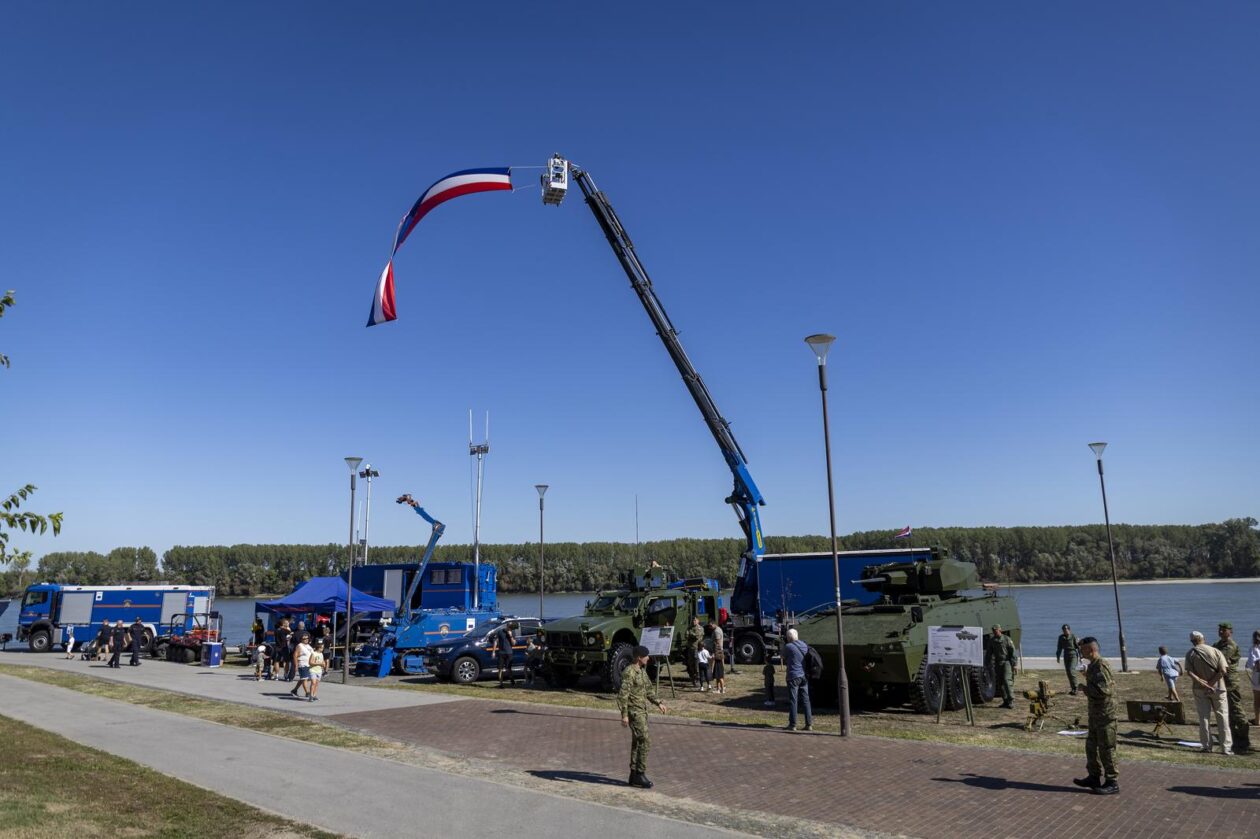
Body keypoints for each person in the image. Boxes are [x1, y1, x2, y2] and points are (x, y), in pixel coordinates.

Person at [617, 644, 668, 789]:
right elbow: (623, 696)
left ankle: (633, 774)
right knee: (645, 741)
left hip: (642, 711)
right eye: (646, 656)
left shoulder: (642, 672)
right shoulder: (629, 672)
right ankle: (640, 773)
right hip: (634, 712)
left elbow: (649, 691)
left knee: (638, 742)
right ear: (639, 658)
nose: (648, 658)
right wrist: (624, 715)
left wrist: (659, 703)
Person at [1073, 637, 1119, 795]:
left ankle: (1112, 782)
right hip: (1095, 714)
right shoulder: (1093, 665)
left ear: (1091, 650)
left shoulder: (1101, 665)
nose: (1081, 652)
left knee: (1107, 748)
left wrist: (1084, 689)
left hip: (1106, 714)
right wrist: (1087, 675)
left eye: (1083, 649)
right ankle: (1094, 776)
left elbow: (1104, 691)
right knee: (1091, 746)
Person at [1185, 630, 1232, 755]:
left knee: (1204, 718)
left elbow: (1189, 672)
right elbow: (1223, 670)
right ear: (1203, 638)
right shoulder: (1216, 651)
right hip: (1218, 688)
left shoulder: (1190, 653)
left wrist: (1203, 684)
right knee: (1222, 718)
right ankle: (1226, 747)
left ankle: (1206, 746)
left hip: (1199, 689)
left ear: (1192, 641)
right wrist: (1211, 684)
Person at [1213, 622, 1250, 754]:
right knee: (1227, 711)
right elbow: (1213, 656)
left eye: (1224, 630)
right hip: (1222, 682)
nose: (1221, 632)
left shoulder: (1230, 645)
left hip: (1230, 682)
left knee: (1236, 710)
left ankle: (1244, 739)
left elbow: (1220, 658)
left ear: (1230, 632)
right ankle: (1234, 737)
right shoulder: (1218, 644)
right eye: (1220, 630)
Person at [781, 628, 813, 732]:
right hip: (803, 675)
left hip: (793, 675)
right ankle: (809, 724)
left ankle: (793, 724)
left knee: (793, 701)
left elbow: (782, 657)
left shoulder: (788, 646)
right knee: (806, 700)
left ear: (788, 637)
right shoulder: (804, 645)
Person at [987, 625, 1018, 709]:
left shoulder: (1007, 639)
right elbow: (989, 653)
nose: (995, 631)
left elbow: (1013, 652)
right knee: (1000, 683)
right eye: (993, 630)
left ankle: (1011, 700)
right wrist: (987, 664)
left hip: (1006, 662)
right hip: (997, 663)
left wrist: (1014, 664)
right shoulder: (992, 641)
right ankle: (1005, 701)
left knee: (1007, 680)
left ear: (1000, 630)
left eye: (996, 630)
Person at [491, 621, 517, 688]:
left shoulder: (512, 632)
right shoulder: (500, 631)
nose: (510, 628)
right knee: (500, 669)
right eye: (509, 626)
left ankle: (511, 679)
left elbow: (514, 643)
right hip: (501, 653)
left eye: (511, 627)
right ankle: (501, 684)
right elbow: (496, 641)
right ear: (507, 626)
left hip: (509, 653)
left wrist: (510, 636)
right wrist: (493, 651)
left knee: (508, 668)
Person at [1056, 624, 1080, 695]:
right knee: (1068, 673)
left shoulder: (1073, 636)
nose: (1065, 630)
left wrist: (1081, 656)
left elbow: (1078, 647)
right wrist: (1058, 657)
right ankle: (1073, 688)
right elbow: (1059, 648)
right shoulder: (1061, 637)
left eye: (1066, 629)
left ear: (1069, 629)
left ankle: (1076, 687)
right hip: (1066, 655)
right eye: (1064, 629)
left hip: (1073, 655)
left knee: (1071, 670)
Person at [290, 633, 313, 699]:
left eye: (307, 638)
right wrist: (296, 665)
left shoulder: (308, 646)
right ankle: (307, 693)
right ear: (301, 639)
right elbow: (295, 655)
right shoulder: (299, 646)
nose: (306, 640)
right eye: (304, 639)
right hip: (303, 664)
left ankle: (294, 690)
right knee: (304, 679)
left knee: (303, 678)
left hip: (309, 664)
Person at [1246, 629, 1260, 726]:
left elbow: (1251, 664)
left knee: (1257, 699)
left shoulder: (1254, 648)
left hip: (1258, 675)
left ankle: (1257, 720)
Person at [684, 617, 703, 688]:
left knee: (696, 664)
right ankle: (693, 678)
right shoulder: (689, 628)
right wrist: (691, 635)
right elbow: (686, 636)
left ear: (698, 621)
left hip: (697, 648)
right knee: (690, 664)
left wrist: (691, 634)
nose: (693, 621)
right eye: (693, 620)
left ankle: (697, 679)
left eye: (695, 620)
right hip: (690, 649)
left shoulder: (700, 628)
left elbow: (697, 637)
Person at [711, 623, 726, 695]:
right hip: (718, 661)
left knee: (720, 677)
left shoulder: (717, 631)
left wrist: (713, 655)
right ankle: (718, 689)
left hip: (718, 662)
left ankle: (722, 689)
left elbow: (718, 641)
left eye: (710, 625)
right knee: (718, 676)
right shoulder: (718, 629)